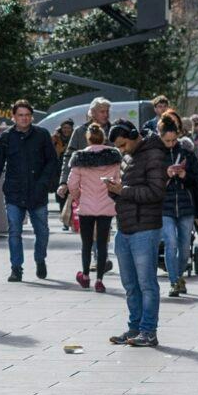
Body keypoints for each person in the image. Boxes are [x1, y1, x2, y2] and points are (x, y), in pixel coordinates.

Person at [0, 99, 60, 284]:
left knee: (42, 231)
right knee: (14, 231)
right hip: (14, 191)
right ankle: (16, 268)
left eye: (27, 115)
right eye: (20, 115)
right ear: (14, 117)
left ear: (31, 117)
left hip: (37, 191)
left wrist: (44, 183)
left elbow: (52, 161)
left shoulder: (41, 135)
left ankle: (40, 258)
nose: (24, 118)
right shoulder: (7, 137)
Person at [108, 122, 167, 347]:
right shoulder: (127, 157)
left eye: (123, 144)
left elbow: (156, 192)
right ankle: (135, 328)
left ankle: (148, 331)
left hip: (145, 228)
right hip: (124, 227)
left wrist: (122, 191)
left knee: (146, 283)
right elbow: (128, 192)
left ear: (134, 136)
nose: (122, 150)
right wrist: (115, 191)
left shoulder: (154, 154)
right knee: (130, 283)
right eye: (118, 147)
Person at [61, 125, 121, 292]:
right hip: (106, 205)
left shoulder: (80, 159)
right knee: (102, 244)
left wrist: (78, 195)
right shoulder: (113, 158)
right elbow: (117, 181)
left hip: (86, 205)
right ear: (103, 138)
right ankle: (100, 280)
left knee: (86, 243)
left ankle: (86, 276)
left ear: (88, 139)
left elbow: (72, 183)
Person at [159, 114, 198, 298]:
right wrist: (166, 174)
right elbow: (152, 180)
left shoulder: (187, 153)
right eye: (166, 140)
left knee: (185, 246)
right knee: (170, 243)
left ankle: (178, 275)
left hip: (186, 205)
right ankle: (174, 281)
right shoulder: (157, 155)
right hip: (165, 205)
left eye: (173, 140)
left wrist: (183, 176)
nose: (170, 144)